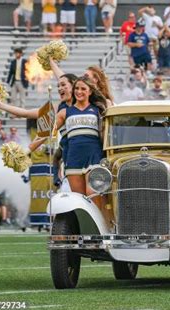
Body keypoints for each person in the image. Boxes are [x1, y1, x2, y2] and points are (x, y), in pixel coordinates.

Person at [53, 76, 109, 223]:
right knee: (79, 201)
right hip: (74, 159)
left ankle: (101, 231)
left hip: (94, 157)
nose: (79, 91)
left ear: (90, 91)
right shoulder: (65, 112)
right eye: (77, 88)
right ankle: (85, 233)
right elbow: (47, 131)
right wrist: (27, 150)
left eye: (83, 89)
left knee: (93, 194)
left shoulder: (98, 110)